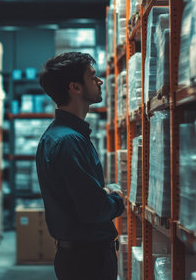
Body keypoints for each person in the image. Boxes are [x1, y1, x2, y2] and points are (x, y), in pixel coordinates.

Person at [36, 52, 125, 280]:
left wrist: (103, 195)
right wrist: (117, 198)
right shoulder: (68, 141)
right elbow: (93, 209)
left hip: (82, 257)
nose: (100, 81)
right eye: (93, 77)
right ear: (75, 87)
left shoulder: (64, 136)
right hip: (88, 262)